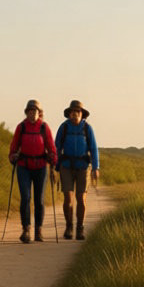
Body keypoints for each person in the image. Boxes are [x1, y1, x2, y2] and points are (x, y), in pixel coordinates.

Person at [7, 99, 56, 243]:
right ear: (27, 112)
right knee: (26, 198)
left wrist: (53, 158)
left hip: (41, 167)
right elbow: (14, 146)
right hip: (24, 166)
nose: (32, 113)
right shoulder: (21, 127)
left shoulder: (44, 127)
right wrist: (13, 156)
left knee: (39, 200)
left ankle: (38, 231)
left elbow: (51, 147)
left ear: (39, 113)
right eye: (30, 111)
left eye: (35, 111)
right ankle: (26, 230)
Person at [54, 99, 99, 240]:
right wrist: (55, 168)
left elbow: (93, 148)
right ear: (69, 114)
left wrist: (96, 168)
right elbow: (56, 148)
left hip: (83, 167)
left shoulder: (87, 128)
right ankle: (69, 226)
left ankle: (80, 228)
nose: (75, 114)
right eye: (73, 112)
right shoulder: (64, 127)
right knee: (68, 198)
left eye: (78, 112)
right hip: (66, 166)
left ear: (82, 114)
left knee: (81, 198)